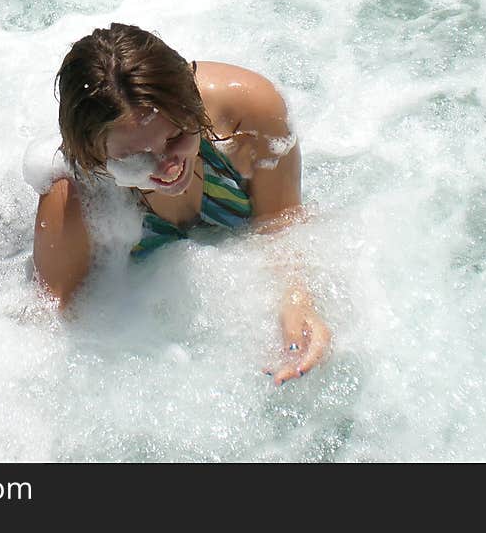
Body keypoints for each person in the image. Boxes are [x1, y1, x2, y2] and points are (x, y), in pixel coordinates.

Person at [32, 23, 330, 385]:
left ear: (193, 104)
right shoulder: (75, 200)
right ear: (95, 156)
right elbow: (56, 324)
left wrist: (297, 300)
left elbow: (280, 221)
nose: (168, 166)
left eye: (176, 136)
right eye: (136, 157)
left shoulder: (249, 115)